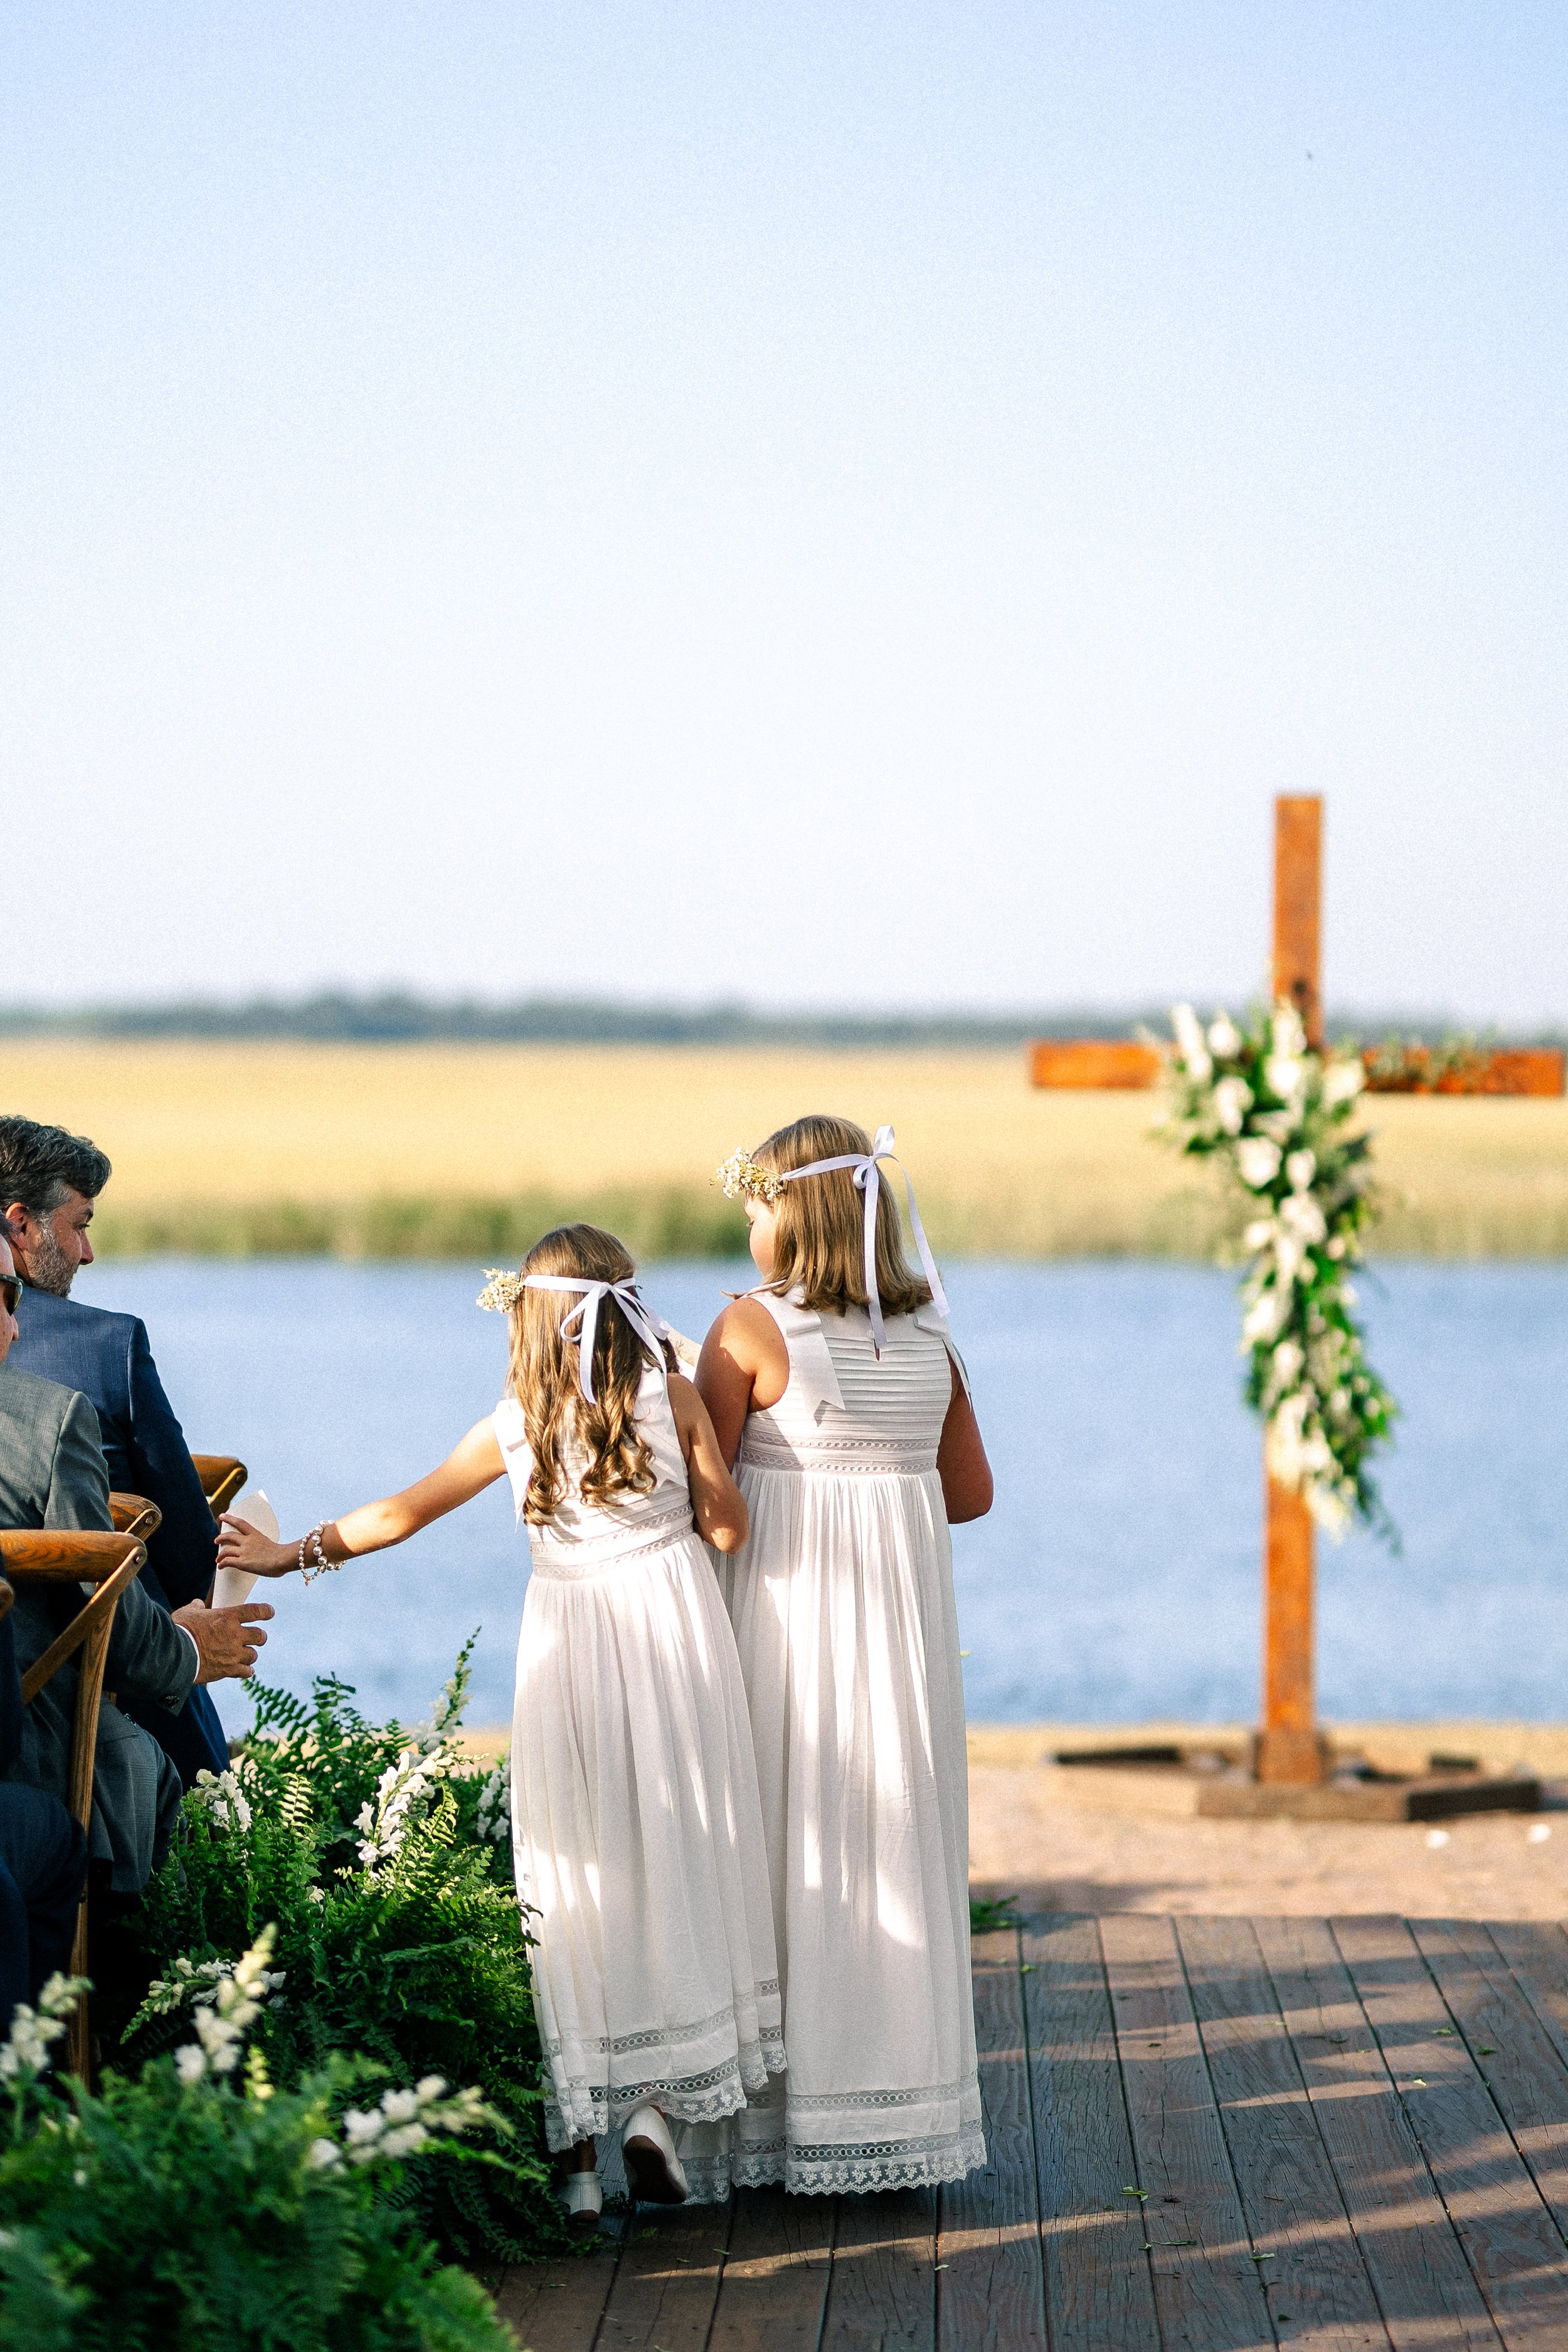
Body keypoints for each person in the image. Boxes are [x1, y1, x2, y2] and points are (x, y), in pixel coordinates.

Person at [216, 1223, 785, 2225]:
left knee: (571, 1881)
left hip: (570, 1654)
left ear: (532, 1314)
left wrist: (282, 1553)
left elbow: (400, 1513)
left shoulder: (517, 1415)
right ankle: (655, 2116)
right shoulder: (674, 1389)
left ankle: (572, 2160)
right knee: (673, 1866)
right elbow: (729, 1524)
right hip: (676, 1641)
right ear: (628, 1306)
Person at [697, 1118, 993, 2196]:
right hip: (899, 1644)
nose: (745, 1223)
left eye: (755, 1202)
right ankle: (897, 2111)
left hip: (786, 1632)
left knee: (785, 1846)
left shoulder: (747, 1330)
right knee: (892, 1845)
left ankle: (775, 2120)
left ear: (796, 1213)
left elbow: (700, 1490)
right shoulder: (933, 1340)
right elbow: (971, 1495)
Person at [0, 1219, 274, 1912]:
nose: (20, 1327)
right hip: (22, 1756)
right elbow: (116, 1620)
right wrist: (186, 1646)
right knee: (134, 1762)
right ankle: (140, 1993)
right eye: (8, 1298)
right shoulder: (51, 1419)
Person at [0, 1116, 232, 1784]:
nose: (87, 1253)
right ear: (21, 1223)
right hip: (100, 1682)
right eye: (81, 1225)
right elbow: (188, 1546)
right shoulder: (108, 1347)